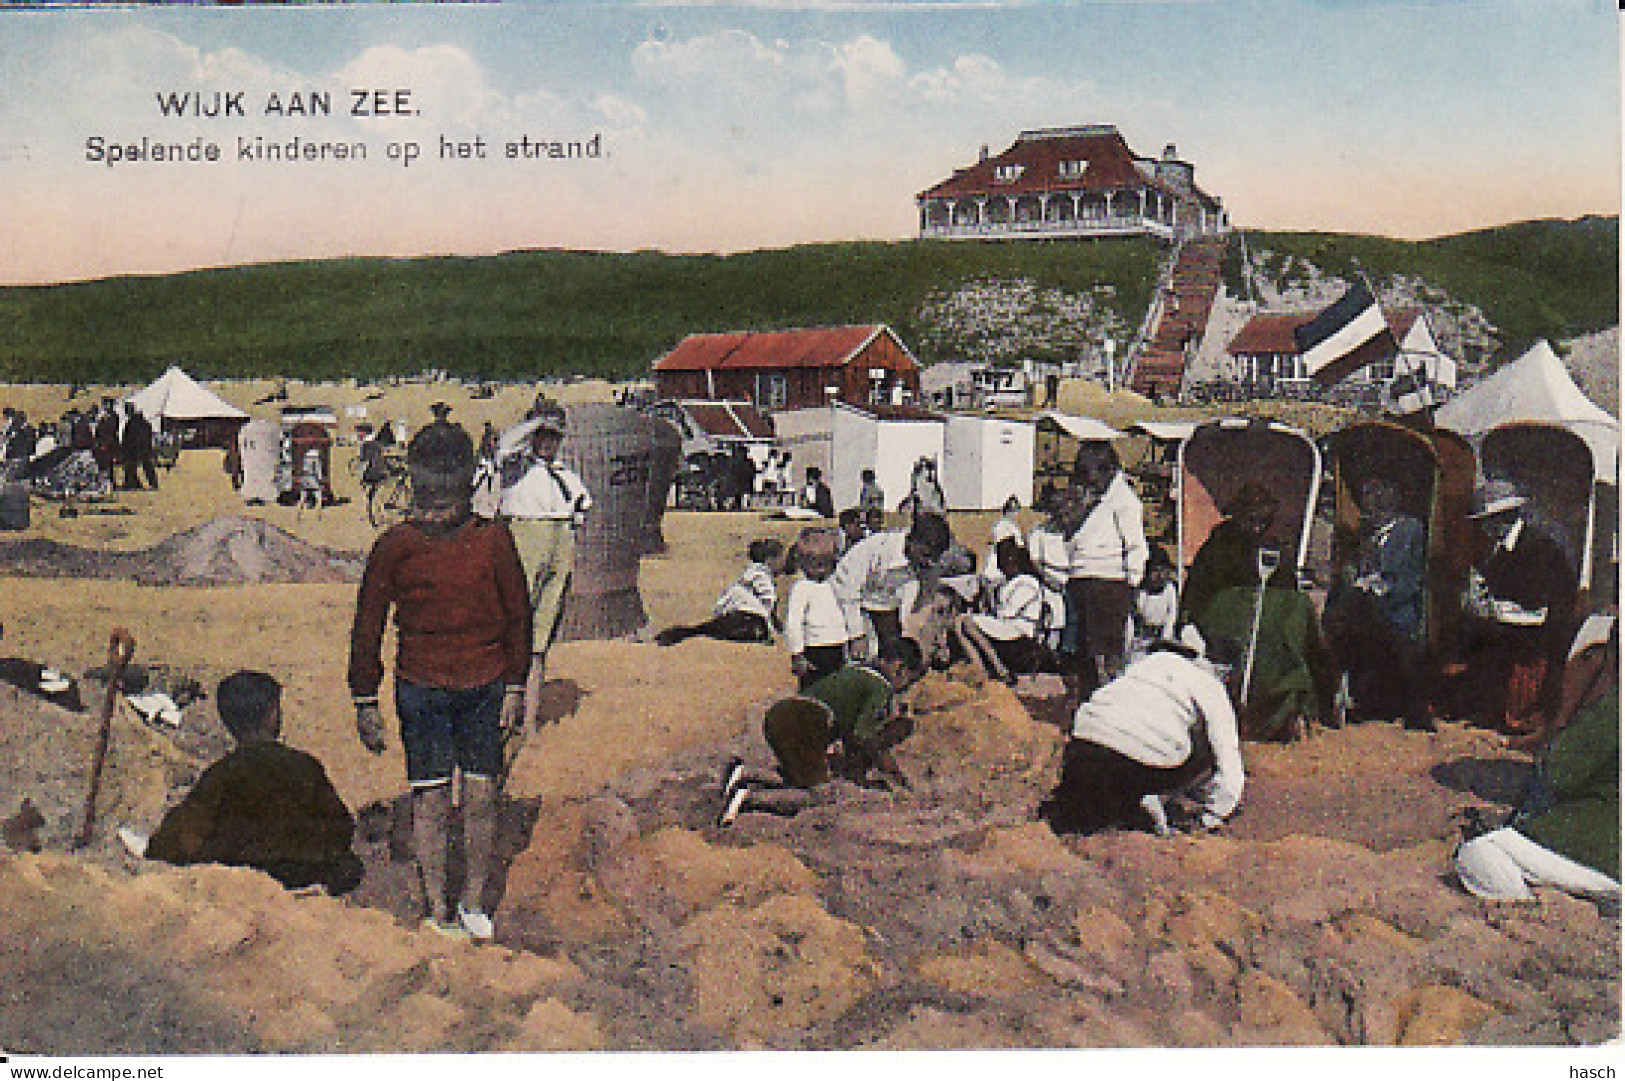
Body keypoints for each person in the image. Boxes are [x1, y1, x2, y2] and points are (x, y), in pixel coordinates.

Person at [349, 419, 532, 939]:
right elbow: (368, 624)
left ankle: (474, 902)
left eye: (447, 495)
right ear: (414, 484)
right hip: (422, 689)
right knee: (429, 798)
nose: (437, 510)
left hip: (485, 687)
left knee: (479, 797)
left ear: (469, 482)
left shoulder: (494, 541)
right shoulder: (394, 547)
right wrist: (364, 697)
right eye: (429, 496)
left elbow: (519, 616)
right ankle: (436, 908)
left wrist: (515, 686)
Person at [124, 671, 363, 896]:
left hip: (242, 876)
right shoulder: (304, 767)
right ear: (272, 715)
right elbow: (341, 827)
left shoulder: (222, 775)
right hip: (303, 873)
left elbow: (177, 840)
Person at [1454, 625, 1618, 906]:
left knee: (1479, 853)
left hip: (1605, 852)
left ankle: (1524, 903)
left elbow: (1558, 774)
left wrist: (1570, 717)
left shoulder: (1614, 708)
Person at [1041, 628, 1245, 838]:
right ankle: (1150, 796)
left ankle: (1104, 798)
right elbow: (1227, 753)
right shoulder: (1210, 686)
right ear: (1226, 672)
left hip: (1085, 740)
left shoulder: (1150, 663)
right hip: (1141, 763)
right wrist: (1214, 815)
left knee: (1081, 809)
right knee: (1204, 747)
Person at [717, 637, 926, 825]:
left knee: (798, 775)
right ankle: (748, 800)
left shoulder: (858, 670)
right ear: (900, 668)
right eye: (909, 679)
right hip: (803, 720)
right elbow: (863, 736)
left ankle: (743, 773)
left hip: (783, 714)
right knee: (817, 794)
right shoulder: (881, 687)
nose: (905, 687)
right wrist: (893, 773)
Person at [495, 400, 593, 733]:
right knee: (513, 623)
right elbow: (505, 444)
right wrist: (536, 422)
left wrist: (572, 530)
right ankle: (503, 712)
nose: (549, 443)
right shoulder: (515, 466)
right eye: (543, 436)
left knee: (541, 637)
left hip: (559, 542)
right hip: (526, 535)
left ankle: (530, 720)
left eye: (554, 437)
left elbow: (582, 507)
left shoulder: (566, 475)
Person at [1454, 479, 1580, 738]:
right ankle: (1486, 707)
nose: (1485, 528)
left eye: (1489, 521)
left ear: (1505, 518)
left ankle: (1518, 712)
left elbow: (1540, 609)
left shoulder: (1540, 548)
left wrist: (1491, 609)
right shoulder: (1499, 550)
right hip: (1514, 626)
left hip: (1541, 632)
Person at [1322, 478, 1431, 729]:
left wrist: (1383, 590)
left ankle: (1412, 711)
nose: (1373, 502)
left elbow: (1412, 580)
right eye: (1367, 496)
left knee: (1391, 634)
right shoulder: (1368, 535)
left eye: (1379, 495)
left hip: (1400, 608)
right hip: (1371, 608)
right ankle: (1348, 700)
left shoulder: (1409, 530)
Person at [1064, 442, 1149, 702]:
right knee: (1083, 650)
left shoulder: (1124, 501)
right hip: (1081, 580)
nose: (1090, 483)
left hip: (1109, 583)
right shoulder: (1090, 501)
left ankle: (1112, 703)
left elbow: (1135, 544)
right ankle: (1087, 701)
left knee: (1108, 649)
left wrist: (1132, 584)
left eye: (1094, 477)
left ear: (1109, 471)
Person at [829, 511, 953, 659]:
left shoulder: (928, 565)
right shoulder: (875, 550)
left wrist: (936, 641)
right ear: (913, 542)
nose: (928, 562)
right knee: (864, 654)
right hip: (844, 604)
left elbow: (922, 606)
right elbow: (848, 594)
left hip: (885, 608)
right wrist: (857, 635)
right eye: (925, 555)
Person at [655, 538, 787, 646]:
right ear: (770, 559)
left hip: (732, 615)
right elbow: (769, 604)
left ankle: (673, 634)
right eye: (781, 559)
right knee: (709, 631)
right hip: (748, 619)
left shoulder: (749, 572)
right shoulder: (761, 575)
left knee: (704, 629)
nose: (783, 563)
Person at [952, 541, 1045, 685]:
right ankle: (982, 669)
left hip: (1020, 629)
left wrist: (991, 597)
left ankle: (999, 670)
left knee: (967, 622)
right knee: (960, 622)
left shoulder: (1027, 582)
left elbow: (1007, 613)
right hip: (1007, 625)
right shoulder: (1008, 582)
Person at [783, 528, 852, 688]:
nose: (819, 569)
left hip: (839, 645)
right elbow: (793, 623)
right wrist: (797, 654)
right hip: (814, 649)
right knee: (813, 691)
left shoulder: (836, 584)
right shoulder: (802, 588)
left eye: (824, 563)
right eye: (813, 563)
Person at [1128, 545, 1180, 658]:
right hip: (1143, 638)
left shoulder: (1170, 589)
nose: (1160, 576)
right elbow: (1133, 618)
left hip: (1164, 636)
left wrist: (1165, 639)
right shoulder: (1140, 591)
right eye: (1155, 571)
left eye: (1164, 571)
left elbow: (1171, 616)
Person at [119, 403, 159, 491]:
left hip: (136, 447)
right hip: (142, 447)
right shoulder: (144, 422)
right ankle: (150, 483)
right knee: (145, 465)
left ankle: (133, 483)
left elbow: (128, 437)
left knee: (135, 465)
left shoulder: (132, 423)